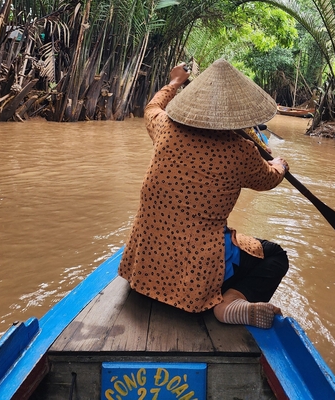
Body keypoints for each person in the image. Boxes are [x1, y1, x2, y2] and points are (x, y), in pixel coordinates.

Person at [119, 58, 290, 329]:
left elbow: (152, 107)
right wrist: (279, 165)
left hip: (144, 269)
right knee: (276, 255)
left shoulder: (166, 128)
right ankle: (229, 302)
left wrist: (175, 81)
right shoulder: (241, 152)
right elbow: (268, 180)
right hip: (194, 275)